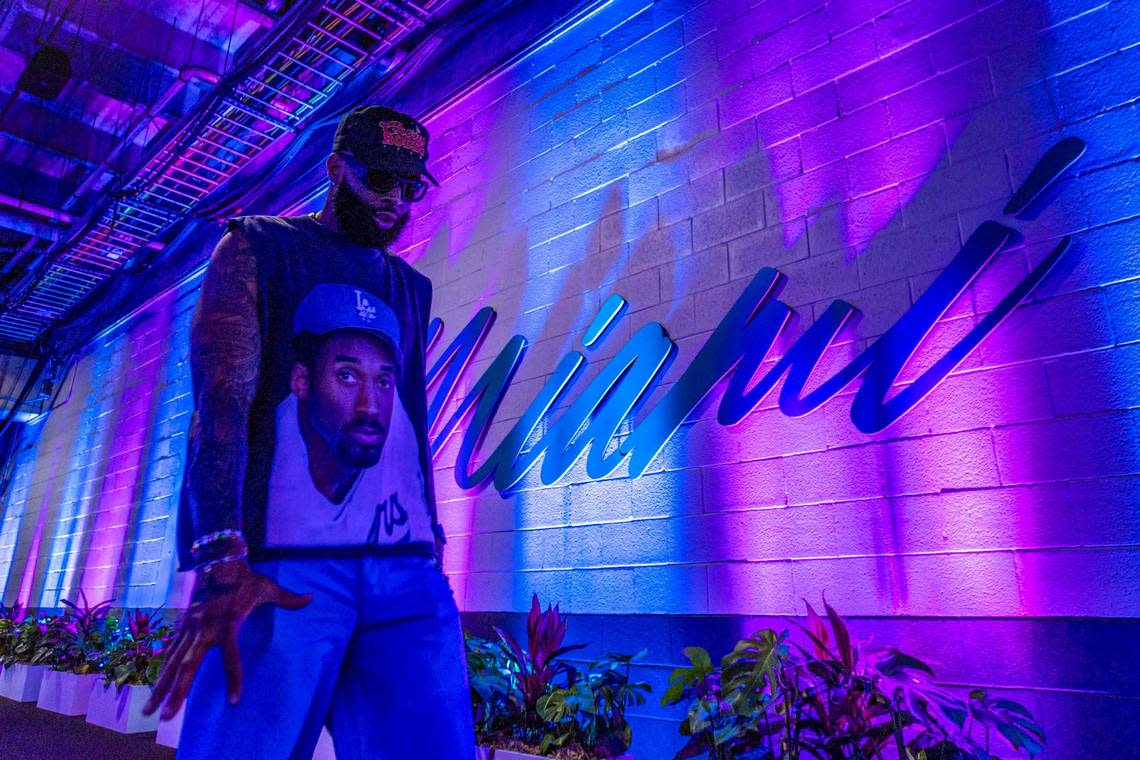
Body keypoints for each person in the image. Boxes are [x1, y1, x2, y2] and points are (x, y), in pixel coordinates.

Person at [143, 106, 475, 760]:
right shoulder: (258, 246)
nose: (395, 202)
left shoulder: (410, 287)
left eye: (411, 188)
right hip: (284, 567)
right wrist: (218, 550)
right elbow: (220, 402)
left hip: (401, 565)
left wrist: (429, 533)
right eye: (380, 180)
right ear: (335, 168)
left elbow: (407, 416)